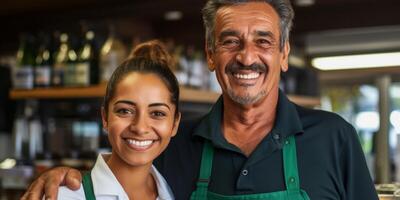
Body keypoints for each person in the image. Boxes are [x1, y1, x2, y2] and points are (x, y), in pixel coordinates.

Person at [22, 0, 378, 200]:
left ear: (284, 54)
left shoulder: (334, 138)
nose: (246, 56)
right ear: (211, 55)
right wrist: (67, 181)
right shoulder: (175, 147)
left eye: (264, 42)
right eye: (230, 41)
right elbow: (120, 181)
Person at [57, 40, 180, 199]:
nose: (140, 127)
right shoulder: (65, 196)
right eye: (125, 111)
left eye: (157, 113)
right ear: (105, 117)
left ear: (175, 123)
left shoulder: (175, 190)